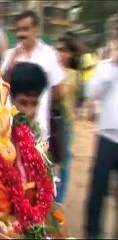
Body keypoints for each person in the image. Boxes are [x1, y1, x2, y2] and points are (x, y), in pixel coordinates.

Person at [2, 10, 64, 142]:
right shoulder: (10, 54)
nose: (21, 34)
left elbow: (57, 90)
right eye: (18, 30)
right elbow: (2, 87)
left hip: (39, 128)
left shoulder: (49, 54)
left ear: (35, 29)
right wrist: (12, 61)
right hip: (11, 130)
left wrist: (40, 103)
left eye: (25, 29)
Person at [85, 17, 118, 239]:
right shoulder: (106, 67)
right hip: (106, 138)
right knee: (97, 191)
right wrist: (113, 66)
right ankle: (93, 232)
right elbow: (90, 93)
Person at [54, 34, 80, 204]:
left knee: (63, 163)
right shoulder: (57, 71)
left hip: (64, 124)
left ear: (71, 54)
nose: (59, 53)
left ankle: (59, 201)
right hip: (54, 121)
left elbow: (59, 93)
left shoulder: (71, 75)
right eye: (58, 49)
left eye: (63, 50)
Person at [8, 62, 48, 138]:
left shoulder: (37, 132)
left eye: (34, 104)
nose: (29, 112)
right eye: (23, 103)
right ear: (11, 99)